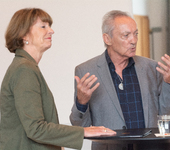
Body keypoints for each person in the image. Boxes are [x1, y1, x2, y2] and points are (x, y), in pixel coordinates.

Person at [0, 8, 116, 150]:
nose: (51, 31)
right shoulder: (24, 69)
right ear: (24, 35)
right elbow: (35, 129)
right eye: (43, 26)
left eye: (49, 26)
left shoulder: (25, 66)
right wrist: (84, 131)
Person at [70, 10, 170, 150]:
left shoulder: (152, 67)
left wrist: (169, 82)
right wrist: (81, 102)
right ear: (107, 39)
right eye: (126, 35)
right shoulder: (86, 71)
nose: (133, 40)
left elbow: (165, 112)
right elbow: (80, 126)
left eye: (135, 34)